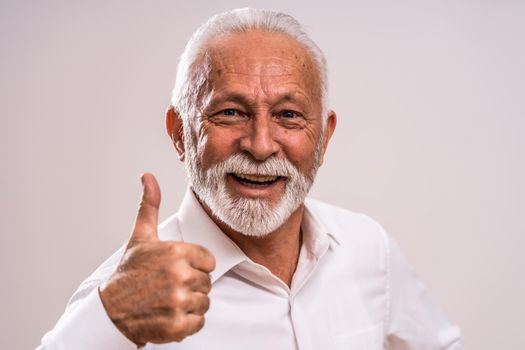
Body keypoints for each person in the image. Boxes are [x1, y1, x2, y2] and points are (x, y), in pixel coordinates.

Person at [38, 8, 463, 350]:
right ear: (179, 133)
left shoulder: (367, 248)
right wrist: (113, 319)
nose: (260, 146)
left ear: (324, 137)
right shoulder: (127, 303)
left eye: (288, 115)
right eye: (230, 112)